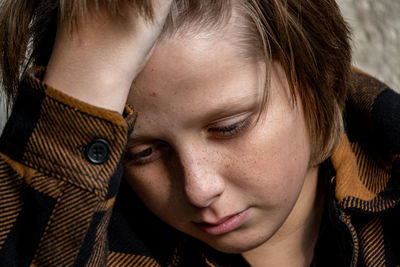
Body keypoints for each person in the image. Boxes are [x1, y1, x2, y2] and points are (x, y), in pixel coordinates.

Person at [0, 0, 399, 266]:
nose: (198, 189)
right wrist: (87, 75)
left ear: (316, 78)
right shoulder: (81, 236)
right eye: (142, 152)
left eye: (229, 128)